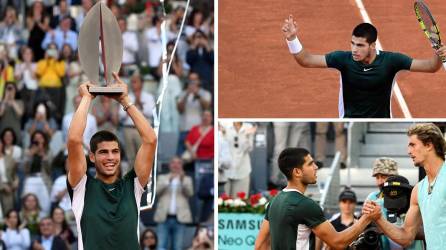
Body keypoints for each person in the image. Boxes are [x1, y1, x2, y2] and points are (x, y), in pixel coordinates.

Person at [281, 16, 446, 118]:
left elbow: (431, 67)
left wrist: (439, 55)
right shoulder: (342, 59)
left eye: (360, 45)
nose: (354, 49)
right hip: (349, 118)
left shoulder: (392, 61)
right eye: (352, 43)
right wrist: (292, 39)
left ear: (373, 45)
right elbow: (306, 60)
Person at [66, 72, 157, 249]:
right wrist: (86, 98)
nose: (110, 157)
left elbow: (150, 140)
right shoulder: (82, 186)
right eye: (103, 152)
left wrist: (125, 100)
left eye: (115, 152)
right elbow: (74, 140)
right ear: (92, 157)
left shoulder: (133, 186)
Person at [255, 147, 381, 250]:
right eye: (310, 164)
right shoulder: (305, 205)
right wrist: (366, 218)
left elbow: (260, 246)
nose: (316, 167)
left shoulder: (274, 201)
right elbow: (337, 242)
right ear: (297, 172)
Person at [363, 123, 446, 249]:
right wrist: (379, 217)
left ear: (429, 145)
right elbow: (406, 237)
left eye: (412, 145)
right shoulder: (418, 190)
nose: (409, 151)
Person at [154, 157, 193, 250]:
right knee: (161, 246)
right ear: (169, 165)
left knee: (178, 247)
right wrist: (168, 181)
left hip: (180, 219)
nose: (176, 165)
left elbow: (190, 193)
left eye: (178, 163)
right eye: (173, 163)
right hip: (164, 218)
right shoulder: (162, 177)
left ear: (181, 165)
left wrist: (182, 180)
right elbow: (157, 192)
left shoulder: (187, 179)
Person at [365, 157, 399, 249]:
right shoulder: (372, 198)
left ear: (394, 177)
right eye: (377, 177)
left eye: (383, 177)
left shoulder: (408, 197)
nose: (379, 182)